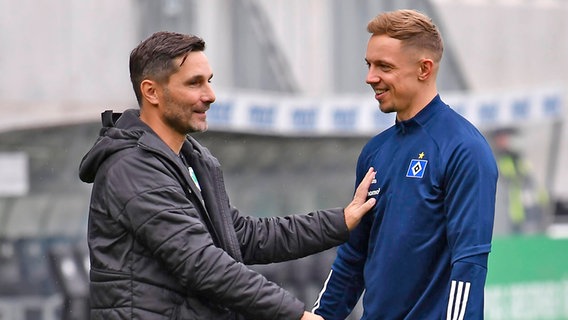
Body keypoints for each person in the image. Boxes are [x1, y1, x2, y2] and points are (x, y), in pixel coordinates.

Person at [78, 31, 376, 320]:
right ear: (151, 92)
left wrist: (341, 221)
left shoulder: (191, 160)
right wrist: (294, 314)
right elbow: (202, 263)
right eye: (195, 83)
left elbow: (243, 236)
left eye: (209, 82)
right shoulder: (132, 167)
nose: (210, 96)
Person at [312, 9, 498, 319]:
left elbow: (469, 265)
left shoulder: (464, 148)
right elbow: (353, 257)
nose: (370, 77)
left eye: (384, 66)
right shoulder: (375, 152)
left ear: (424, 69)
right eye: (369, 65)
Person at [491, 127, 549, 235]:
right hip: (505, 206)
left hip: (520, 205)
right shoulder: (495, 157)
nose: (503, 141)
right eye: (500, 138)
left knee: (525, 231)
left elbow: (528, 177)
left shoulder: (516, 157)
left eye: (505, 138)